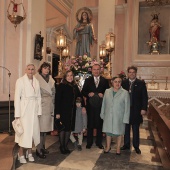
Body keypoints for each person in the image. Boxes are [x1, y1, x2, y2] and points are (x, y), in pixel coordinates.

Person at [14, 63, 41, 164]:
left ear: (34, 71)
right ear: (25, 70)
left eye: (32, 69)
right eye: (29, 69)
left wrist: (39, 111)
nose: (30, 71)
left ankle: (29, 152)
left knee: (33, 132)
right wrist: (17, 114)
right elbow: (17, 98)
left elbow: (38, 97)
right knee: (24, 133)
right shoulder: (20, 81)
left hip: (34, 109)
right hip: (24, 110)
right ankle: (20, 153)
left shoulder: (37, 82)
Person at [55, 70, 86, 154]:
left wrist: (83, 106)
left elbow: (80, 96)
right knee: (62, 129)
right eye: (68, 75)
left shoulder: (74, 86)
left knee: (68, 129)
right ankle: (62, 146)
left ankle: (65, 146)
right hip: (62, 111)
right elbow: (57, 100)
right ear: (65, 77)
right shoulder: (61, 86)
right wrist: (57, 113)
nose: (70, 77)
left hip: (72, 112)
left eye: (71, 75)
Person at [121, 66, 148, 154]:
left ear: (136, 73)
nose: (131, 74)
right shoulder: (123, 83)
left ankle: (136, 146)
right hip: (125, 109)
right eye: (130, 72)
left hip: (136, 110)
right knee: (126, 128)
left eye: (133, 72)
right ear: (127, 73)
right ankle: (126, 144)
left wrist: (144, 108)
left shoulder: (141, 83)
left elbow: (144, 97)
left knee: (135, 128)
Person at [81, 63, 109, 149]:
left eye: (98, 69)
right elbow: (83, 91)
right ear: (92, 71)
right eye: (94, 69)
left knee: (100, 124)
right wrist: (88, 94)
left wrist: (103, 94)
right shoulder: (88, 80)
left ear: (100, 70)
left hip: (101, 106)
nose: (96, 71)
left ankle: (99, 142)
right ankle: (89, 142)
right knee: (90, 124)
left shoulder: (104, 80)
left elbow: (108, 92)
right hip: (90, 106)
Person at [100, 76, 130, 155]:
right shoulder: (107, 91)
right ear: (112, 82)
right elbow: (104, 103)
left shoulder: (125, 92)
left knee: (119, 133)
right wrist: (102, 113)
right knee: (108, 132)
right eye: (115, 82)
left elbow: (127, 107)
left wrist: (125, 118)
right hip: (108, 116)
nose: (117, 83)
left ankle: (118, 149)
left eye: (119, 82)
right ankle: (107, 147)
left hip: (119, 116)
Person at [35, 62, 55, 158]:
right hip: (41, 106)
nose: (46, 70)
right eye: (45, 68)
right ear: (41, 69)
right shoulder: (36, 78)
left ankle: (43, 147)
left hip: (49, 105)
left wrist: (53, 104)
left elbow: (54, 92)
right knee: (40, 129)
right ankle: (38, 150)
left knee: (45, 129)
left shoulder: (51, 79)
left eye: (48, 68)